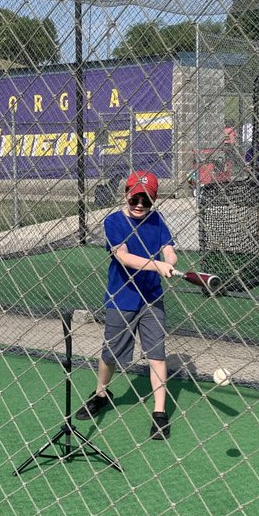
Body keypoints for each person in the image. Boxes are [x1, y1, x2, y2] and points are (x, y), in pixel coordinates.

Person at [76, 170, 177, 441]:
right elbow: (123, 257)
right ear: (126, 195)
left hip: (151, 298)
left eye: (146, 199)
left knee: (157, 353)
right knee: (111, 354)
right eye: (135, 198)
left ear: (153, 200)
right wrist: (157, 265)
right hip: (122, 298)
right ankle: (101, 393)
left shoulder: (157, 220)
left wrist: (170, 260)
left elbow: (168, 249)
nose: (140, 204)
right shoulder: (114, 222)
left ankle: (159, 412)